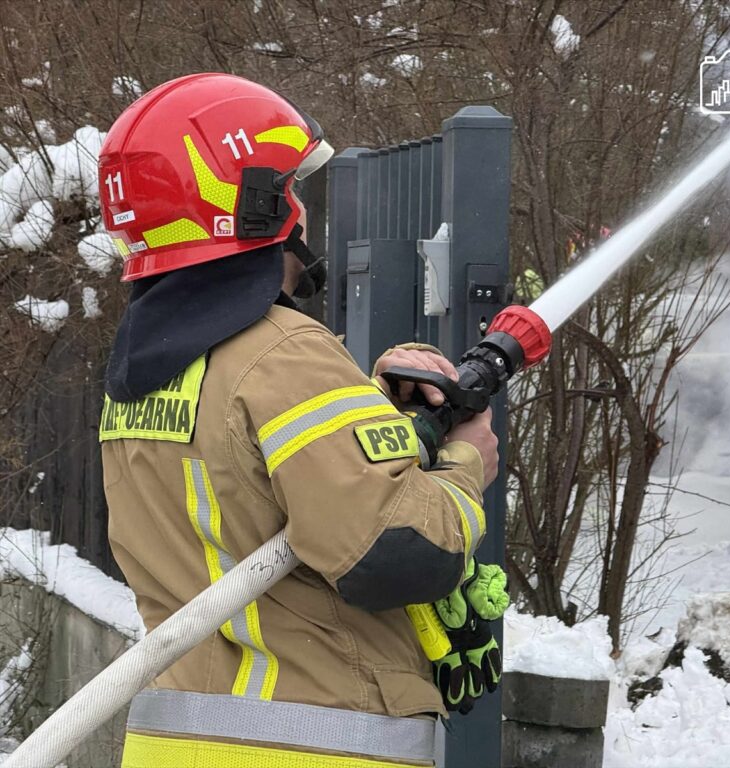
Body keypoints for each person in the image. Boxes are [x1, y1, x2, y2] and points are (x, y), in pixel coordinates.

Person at [98, 73, 502, 767]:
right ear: (253, 206)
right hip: (309, 745)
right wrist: (467, 465)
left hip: (171, 743)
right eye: (291, 190)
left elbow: (243, 491)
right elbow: (398, 555)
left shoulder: (144, 373)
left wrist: (367, 418)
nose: (304, 213)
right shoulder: (285, 355)